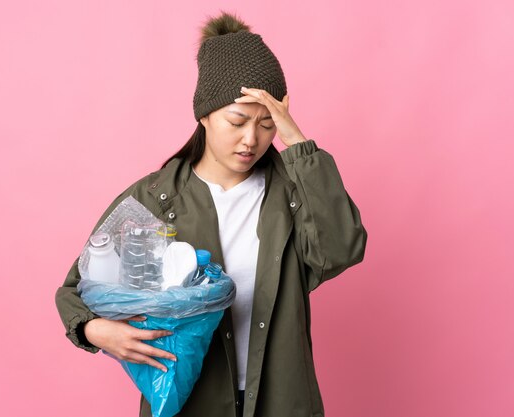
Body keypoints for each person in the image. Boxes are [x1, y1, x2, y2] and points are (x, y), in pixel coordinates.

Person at [55, 10, 368, 417]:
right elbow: (76, 288)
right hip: (188, 402)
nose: (251, 139)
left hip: (281, 401)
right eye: (237, 121)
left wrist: (297, 143)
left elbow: (342, 249)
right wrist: (95, 330)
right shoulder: (156, 198)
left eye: (267, 124)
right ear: (204, 115)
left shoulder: (292, 192)